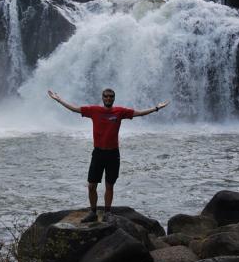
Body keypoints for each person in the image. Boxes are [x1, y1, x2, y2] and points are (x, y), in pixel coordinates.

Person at [47, 88, 170, 222]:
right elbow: (74, 109)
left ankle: (107, 213)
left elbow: (139, 113)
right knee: (91, 185)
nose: (108, 99)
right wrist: (59, 100)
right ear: (102, 98)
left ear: (114, 98)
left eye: (111, 97)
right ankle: (93, 213)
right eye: (106, 96)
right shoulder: (94, 110)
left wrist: (156, 108)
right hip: (98, 153)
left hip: (113, 154)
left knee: (109, 185)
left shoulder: (120, 111)